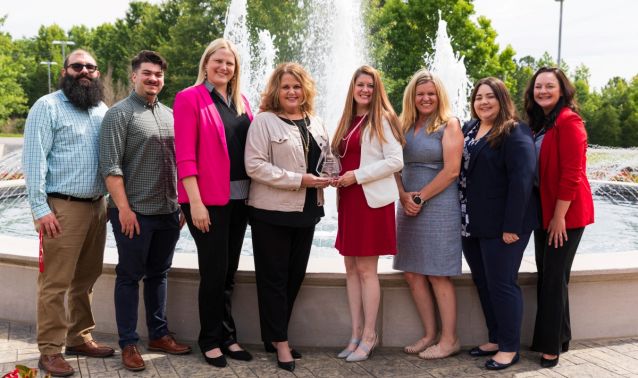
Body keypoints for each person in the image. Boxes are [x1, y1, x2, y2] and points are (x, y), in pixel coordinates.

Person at [22, 49, 115, 377]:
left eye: (91, 67)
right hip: (62, 209)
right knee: (55, 283)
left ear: (97, 73)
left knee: (86, 279)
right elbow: (34, 161)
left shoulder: (101, 109)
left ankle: (79, 337)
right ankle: (49, 350)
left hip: (97, 207)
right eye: (78, 66)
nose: (85, 71)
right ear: (65, 71)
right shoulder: (47, 107)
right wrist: (39, 209)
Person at [99, 50, 191, 372]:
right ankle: (128, 343)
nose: (154, 79)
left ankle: (159, 334)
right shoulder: (119, 115)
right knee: (129, 276)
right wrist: (123, 209)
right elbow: (110, 167)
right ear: (134, 76)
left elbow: (181, 164)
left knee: (159, 274)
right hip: (134, 213)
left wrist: (181, 204)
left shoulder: (170, 115)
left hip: (168, 212)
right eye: (147, 73)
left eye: (159, 75)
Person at [244, 62, 331, 372]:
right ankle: (280, 342)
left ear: (304, 89)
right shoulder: (264, 122)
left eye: (296, 86)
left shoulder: (316, 122)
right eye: (285, 87)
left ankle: (274, 335)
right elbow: (254, 166)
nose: (292, 92)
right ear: (276, 92)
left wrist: (330, 176)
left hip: (307, 212)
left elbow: (327, 158)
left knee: (294, 277)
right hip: (271, 212)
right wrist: (299, 179)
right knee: (274, 279)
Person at [173, 38, 253, 368]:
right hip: (206, 201)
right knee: (213, 272)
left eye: (229, 63)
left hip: (240, 200)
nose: (223, 67)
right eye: (218, 61)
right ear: (206, 63)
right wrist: (195, 203)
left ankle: (228, 336)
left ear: (235, 70)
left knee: (229, 272)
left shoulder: (242, 101)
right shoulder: (189, 98)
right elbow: (185, 155)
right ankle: (209, 339)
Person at [460, 77, 537, 370]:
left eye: (490, 96)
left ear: (502, 99)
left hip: (504, 226)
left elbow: (522, 180)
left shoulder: (515, 130)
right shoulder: (470, 129)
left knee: (502, 284)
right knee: (483, 281)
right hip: (472, 222)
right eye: (478, 97)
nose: (483, 102)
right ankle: (495, 337)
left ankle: (508, 347)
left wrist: (512, 226)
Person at [332, 65, 404, 362]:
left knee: (366, 270)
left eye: (370, 86)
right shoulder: (347, 120)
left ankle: (370, 336)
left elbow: (396, 161)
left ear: (377, 90)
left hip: (371, 201)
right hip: (349, 199)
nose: (365, 90)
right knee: (350, 269)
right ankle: (355, 333)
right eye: (360, 85)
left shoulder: (383, 119)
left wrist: (357, 176)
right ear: (353, 87)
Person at [525, 67, 594, 368]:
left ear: (562, 90)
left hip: (566, 215)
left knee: (552, 279)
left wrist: (558, 217)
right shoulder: (540, 123)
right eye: (538, 87)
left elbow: (572, 175)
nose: (542, 91)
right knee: (553, 276)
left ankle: (550, 346)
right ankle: (561, 337)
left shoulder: (569, 121)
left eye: (549, 86)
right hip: (547, 212)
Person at [393, 69, 463, 359]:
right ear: (413, 96)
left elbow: (452, 171)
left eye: (431, 93)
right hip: (408, 204)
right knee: (412, 273)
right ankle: (429, 334)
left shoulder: (449, 125)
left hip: (438, 206)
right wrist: (402, 194)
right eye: (420, 93)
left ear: (439, 96)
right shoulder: (403, 124)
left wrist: (420, 197)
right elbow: (394, 165)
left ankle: (450, 340)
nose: (426, 98)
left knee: (438, 274)